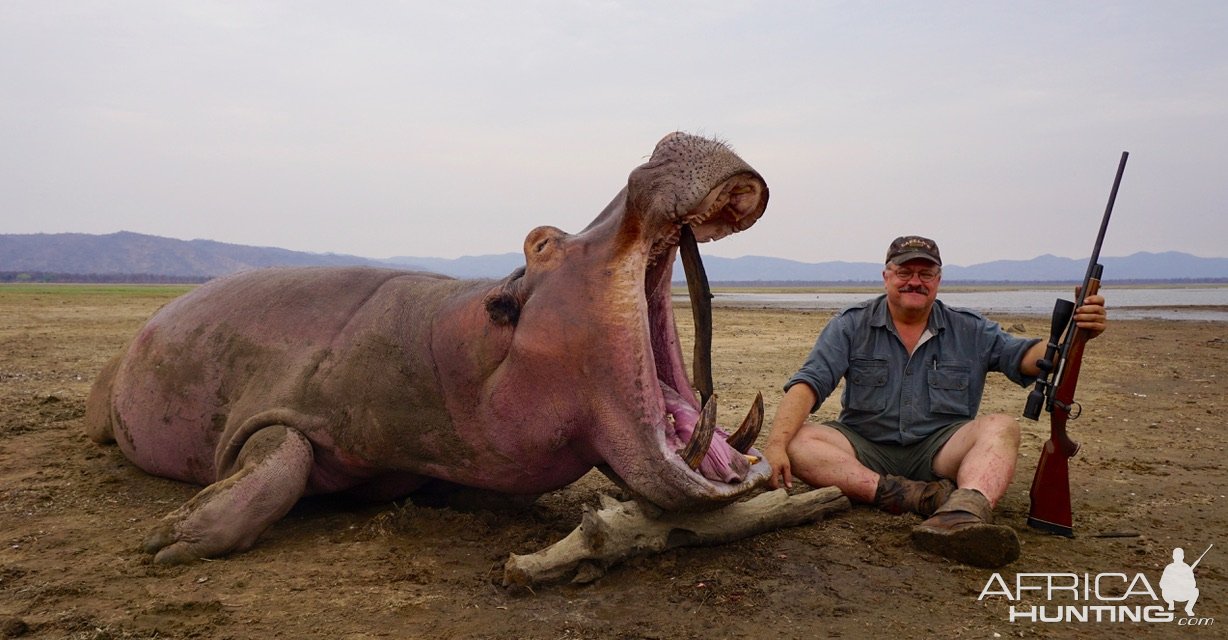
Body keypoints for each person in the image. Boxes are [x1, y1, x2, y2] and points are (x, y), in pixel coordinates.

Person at [763, 235, 1108, 568]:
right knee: (799, 441)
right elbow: (808, 384)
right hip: (865, 447)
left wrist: (1073, 335)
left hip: (941, 451)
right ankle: (917, 497)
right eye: (905, 272)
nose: (915, 281)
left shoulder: (970, 329)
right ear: (886, 277)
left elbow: (1028, 358)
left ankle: (964, 514)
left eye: (925, 274)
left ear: (938, 280)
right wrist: (776, 445)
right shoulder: (850, 325)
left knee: (1002, 426)